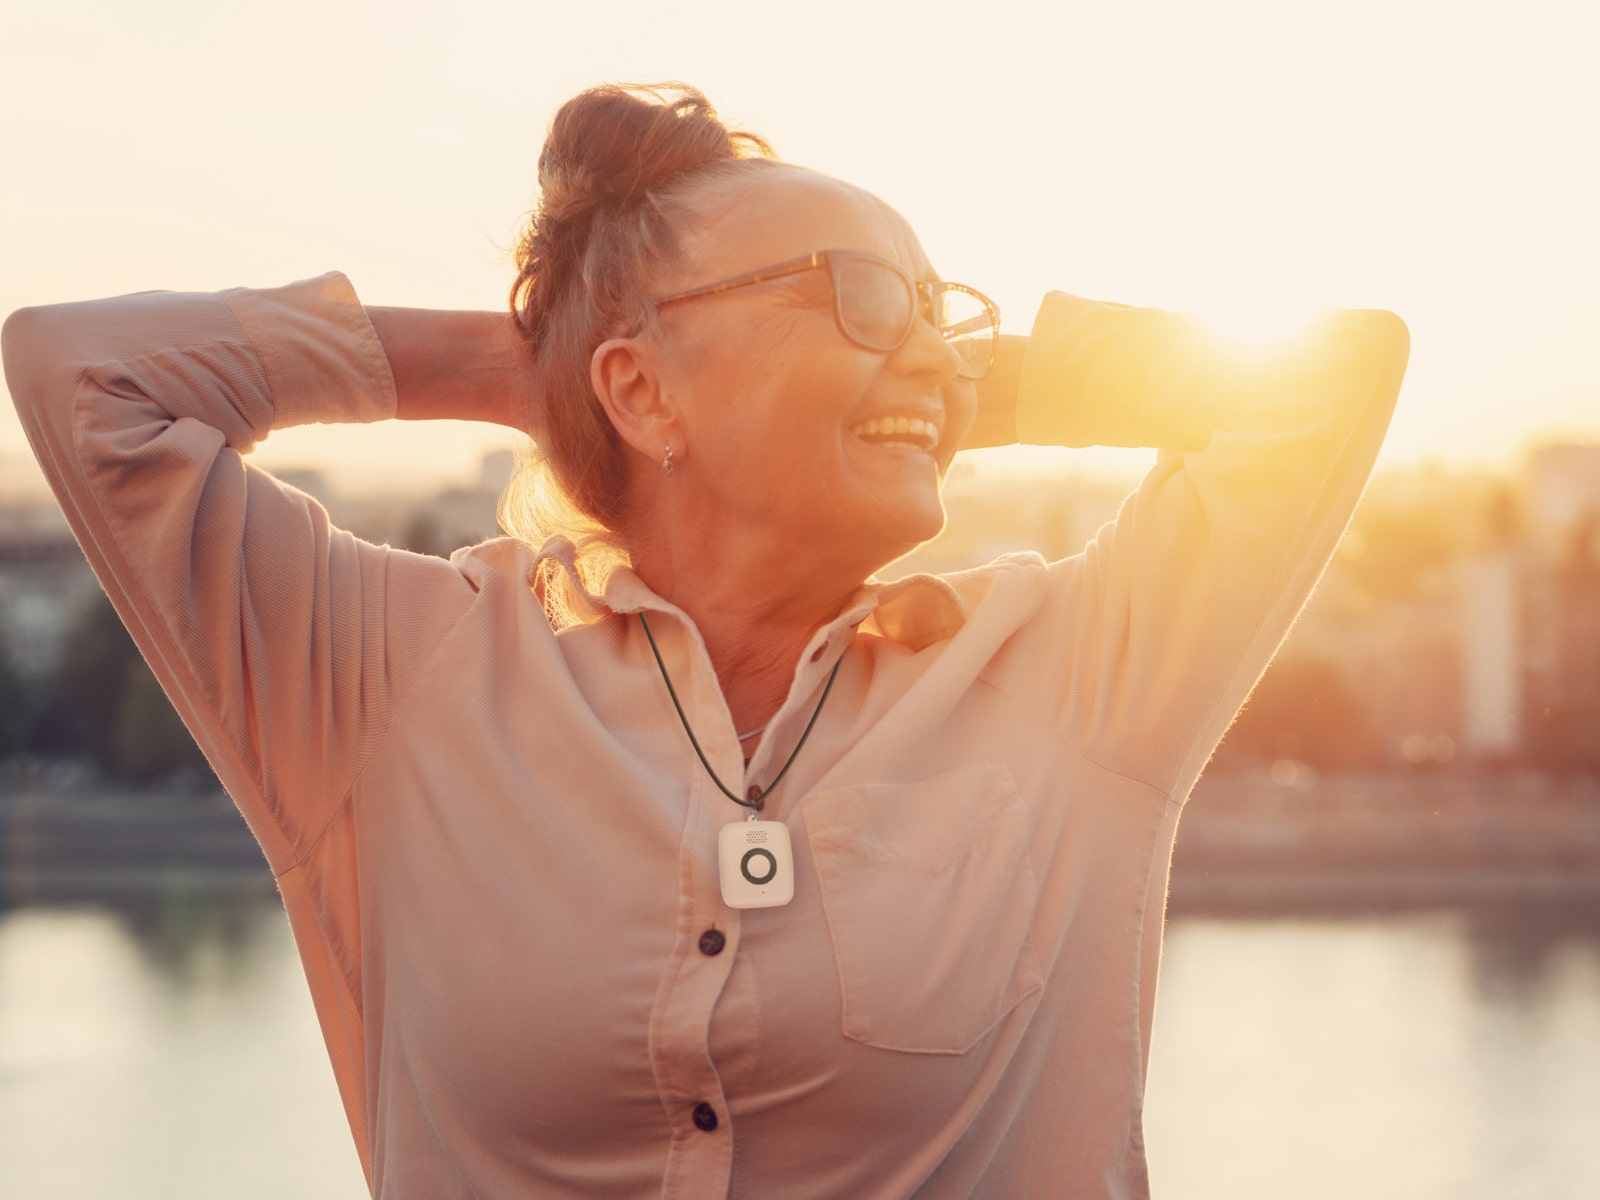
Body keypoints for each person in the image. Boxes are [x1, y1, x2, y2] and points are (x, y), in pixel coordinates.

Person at [2, 82, 1410, 1198]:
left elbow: (1330, 379)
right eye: (860, 299)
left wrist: (940, 373)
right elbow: (84, 376)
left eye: (943, 314)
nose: (933, 355)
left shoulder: (1078, 678)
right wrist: (531, 364)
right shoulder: (390, 682)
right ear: (642, 388)